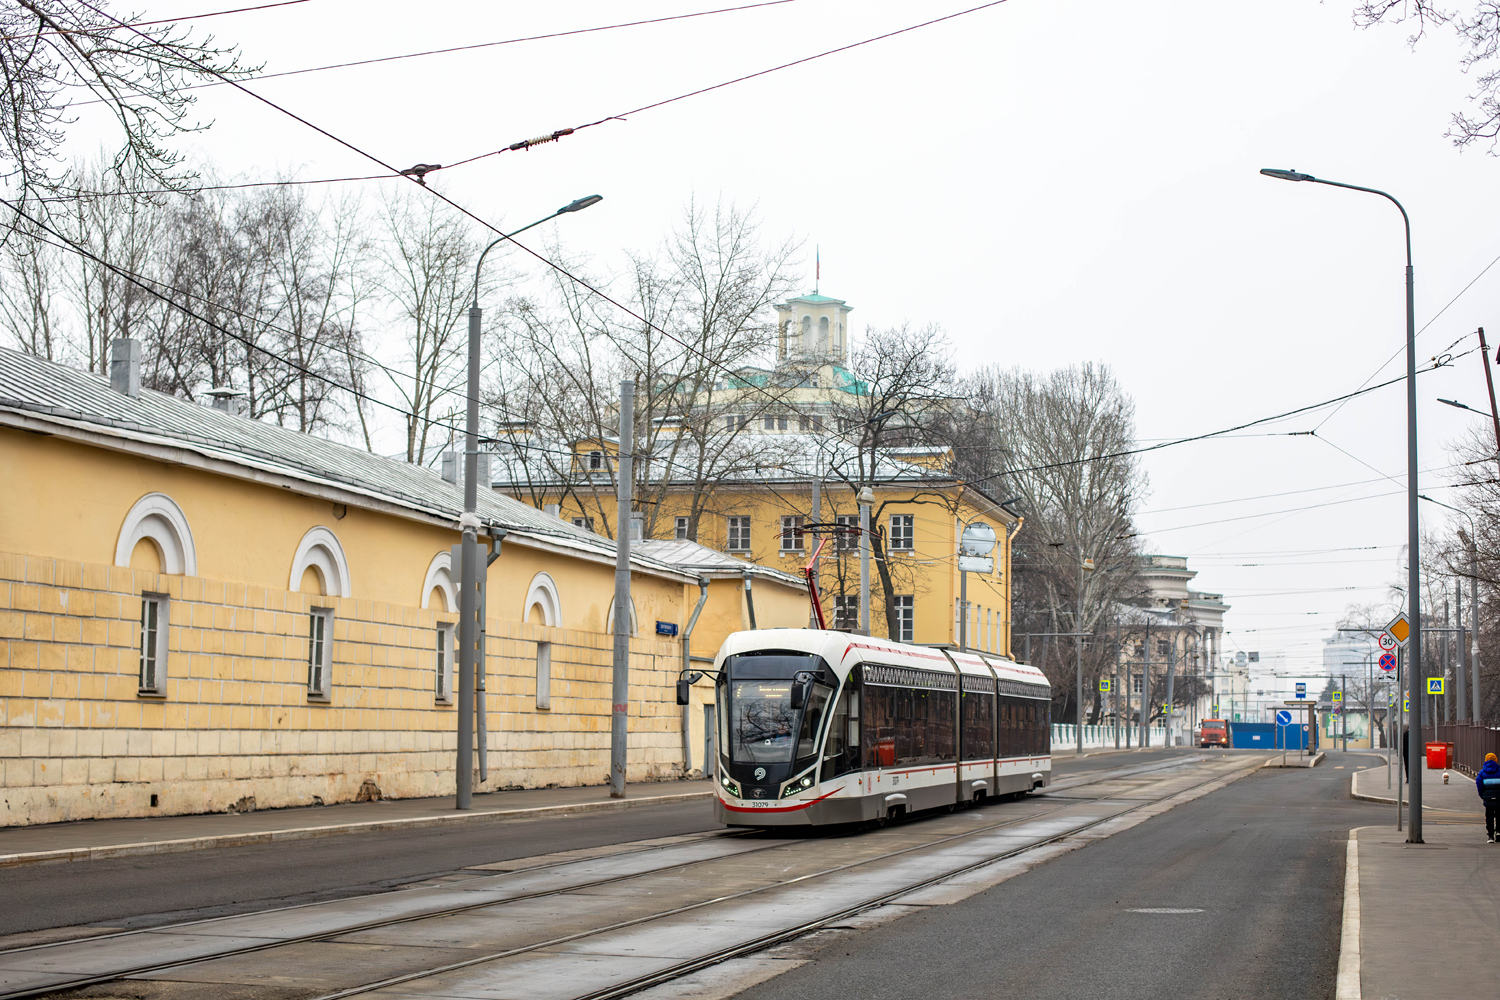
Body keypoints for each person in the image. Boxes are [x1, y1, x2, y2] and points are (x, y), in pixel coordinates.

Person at [1477, 752, 1500, 844]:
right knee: (1499, 815)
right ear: (1496, 760)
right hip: (1499, 798)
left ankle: (1490, 835)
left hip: (1488, 799)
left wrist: (1483, 796)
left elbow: (1479, 784)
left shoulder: (1482, 772)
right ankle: (1498, 833)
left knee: (1489, 816)